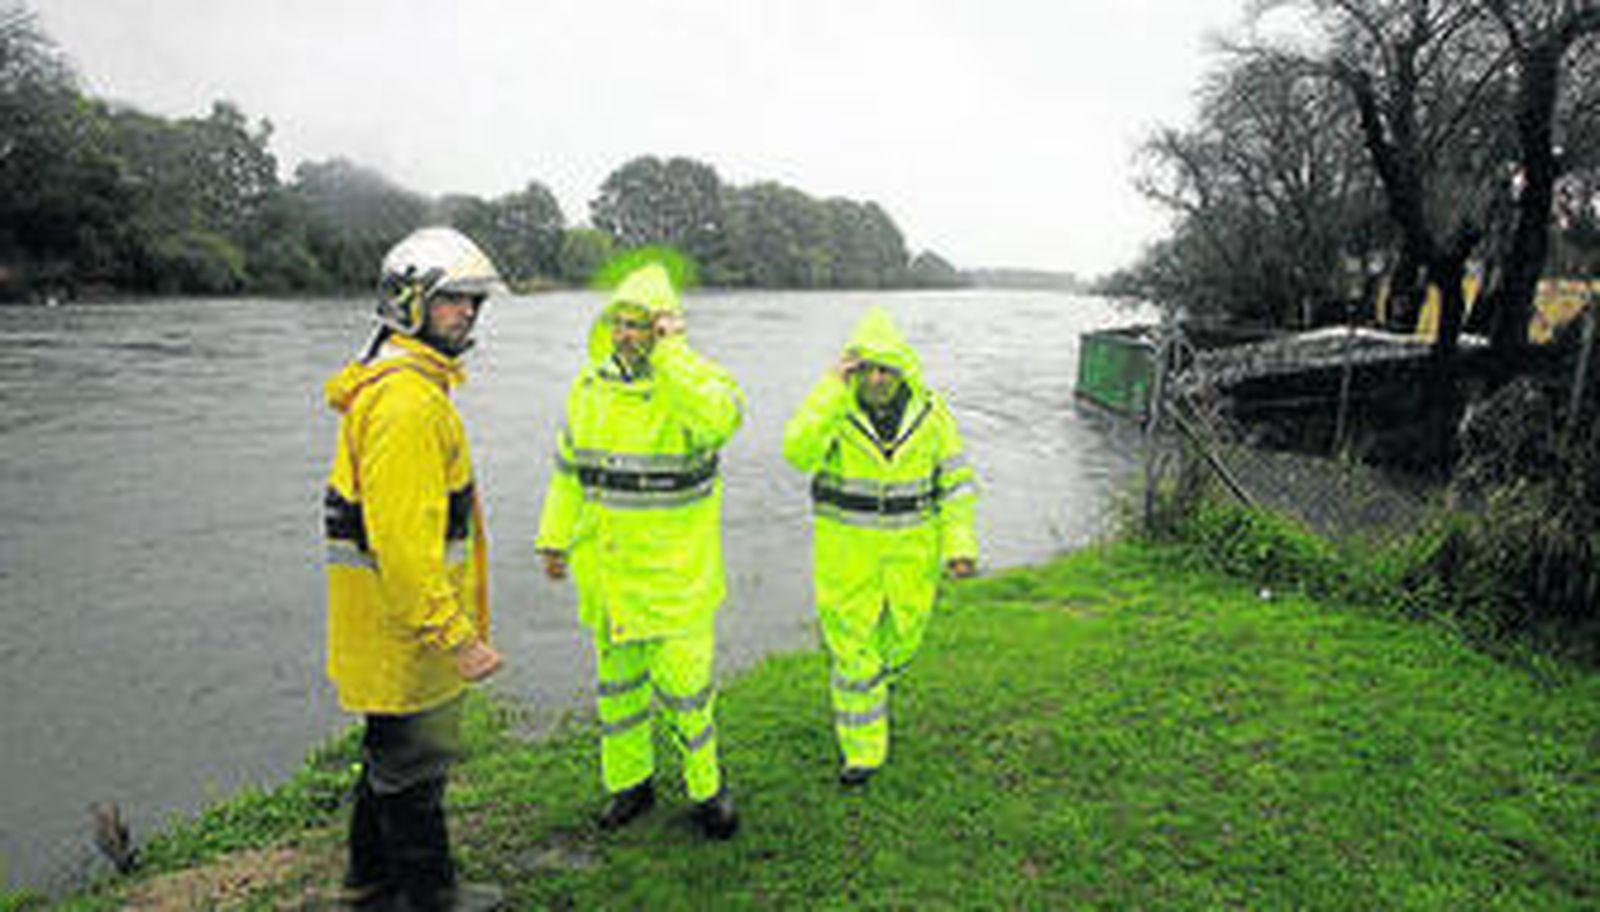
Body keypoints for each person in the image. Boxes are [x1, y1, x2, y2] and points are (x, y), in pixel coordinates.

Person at [323, 226, 507, 911]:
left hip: (389, 626)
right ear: (409, 303)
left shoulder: (409, 386)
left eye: (473, 303)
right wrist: (454, 635)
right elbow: (403, 545)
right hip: (409, 634)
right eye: (452, 300)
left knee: (388, 763)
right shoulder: (406, 404)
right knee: (415, 774)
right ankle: (432, 899)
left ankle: (369, 886)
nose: (467, 313)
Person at [535, 261, 744, 840]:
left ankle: (708, 790)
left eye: (641, 324)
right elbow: (568, 474)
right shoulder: (588, 388)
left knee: (687, 692)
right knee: (619, 693)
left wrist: (673, 354)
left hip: (677, 578)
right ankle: (631, 785)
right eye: (620, 323)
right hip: (608, 574)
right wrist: (554, 537)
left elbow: (719, 420)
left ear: (664, 327)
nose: (628, 334)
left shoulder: (700, 383)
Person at [782, 306, 978, 787]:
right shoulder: (835, 410)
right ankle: (862, 755)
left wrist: (960, 545)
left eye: (884, 368)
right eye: (865, 368)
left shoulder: (933, 415)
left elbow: (954, 484)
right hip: (846, 559)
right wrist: (830, 387)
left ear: (901, 368)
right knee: (853, 656)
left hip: (912, 558)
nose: (875, 378)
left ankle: (875, 691)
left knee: (902, 643)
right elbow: (796, 451)